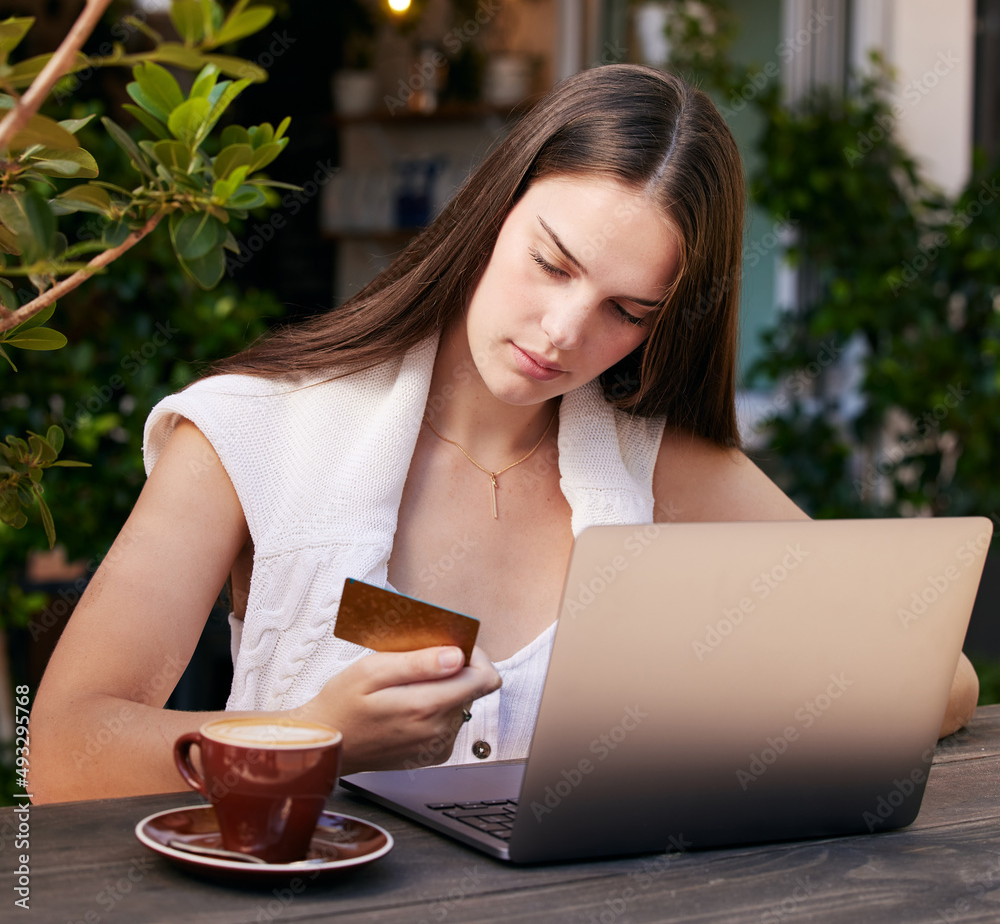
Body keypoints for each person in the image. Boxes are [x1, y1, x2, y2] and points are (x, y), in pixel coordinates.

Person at [30, 64, 978, 803]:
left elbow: (943, 679)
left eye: (628, 310)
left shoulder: (663, 471)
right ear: (492, 212)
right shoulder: (255, 430)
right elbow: (63, 752)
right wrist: (310, 737)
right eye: (551, 263)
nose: (566, 334)